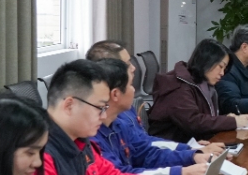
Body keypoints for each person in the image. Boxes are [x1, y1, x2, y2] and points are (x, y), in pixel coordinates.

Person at [31, 60, 200, 175]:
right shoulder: (37, 153)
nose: (104, 115)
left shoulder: (81, 142)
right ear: (69, 105)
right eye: (99, 108)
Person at [85, 40, 225, 164]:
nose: (133, 68)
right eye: (127, 64)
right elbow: (122, 174)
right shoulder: (101, 126)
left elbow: (145, 146)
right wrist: (187, 158)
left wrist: (190, 150)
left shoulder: (124, 110)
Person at [91, 58, 209, 175]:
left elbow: (146, 153)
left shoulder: (119, 125)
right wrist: (180, 173)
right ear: (115, 94)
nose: (134, 90)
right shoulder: (92, 138)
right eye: (130, 85)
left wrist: (192, 156)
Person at [148, 39, 248, 142]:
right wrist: (232, 122)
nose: (222, 73)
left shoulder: (203, 83)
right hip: (170, 147)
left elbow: (203, 117)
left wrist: (225, 119)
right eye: (220, 66)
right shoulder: (178, 86)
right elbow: (193, 122)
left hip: (191, 144)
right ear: (206, 61)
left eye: (224, 69)